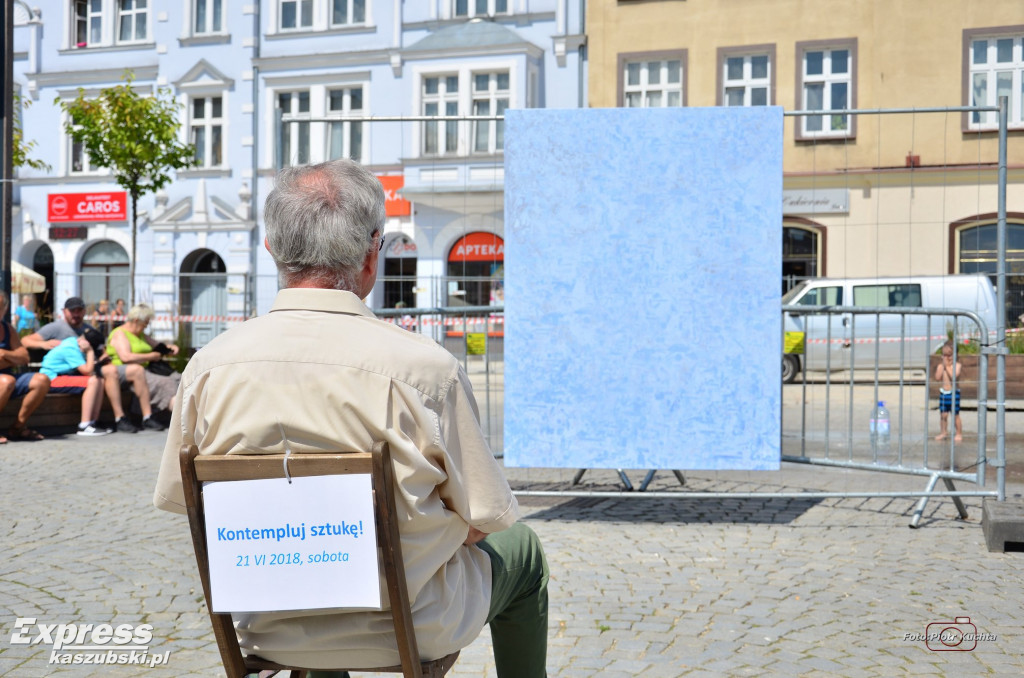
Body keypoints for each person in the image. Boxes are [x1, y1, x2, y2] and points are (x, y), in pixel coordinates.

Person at [153, 159, 548, 677]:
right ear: (372, 251)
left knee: (315, 574)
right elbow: (486, 517)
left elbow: (187, 503)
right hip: (405, 624)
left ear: (272, 250)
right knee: (523, 550)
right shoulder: (424, 370)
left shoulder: (208, 368)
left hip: (269, 624)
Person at [103, 303, 178, 432]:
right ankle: (178, 415)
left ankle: (183, 411)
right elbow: (125, 357)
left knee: (180, 378)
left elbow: (158, 345)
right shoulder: (120, 334)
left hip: (146, 370)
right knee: (166, 383)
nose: (146, 326)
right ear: (137, 320)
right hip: (128, 371)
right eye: (145, 323)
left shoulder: (141, 334)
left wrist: (171, 348)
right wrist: (150, 356)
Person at [0, 291, 50, 442]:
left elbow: (24, 357)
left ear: (5, 309)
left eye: (0, 306)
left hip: (9, 380)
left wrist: (3, 354)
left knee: (42, 380)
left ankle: (18, 427)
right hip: (6, 381)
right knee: (6, 381)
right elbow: (18, 357)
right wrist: (12, 358)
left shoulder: (8, 329)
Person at [39, 331, 112, 436]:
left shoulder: (75, 343)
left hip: (61, 376)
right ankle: (84, 426)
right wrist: (90, 352)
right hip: (50, 378)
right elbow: (88, 371)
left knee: (100, 380)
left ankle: (93, 422)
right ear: (86, 343)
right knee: (93, 381)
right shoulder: (70, 348)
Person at [935, 340, 963, 443]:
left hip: (953, 393)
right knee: (943, 414)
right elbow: (937, 377)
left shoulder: (957, 366)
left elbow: (954, 377)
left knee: (955, 414)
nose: (947, 358)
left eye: (949, 355)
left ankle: (959, 433)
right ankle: (943, 432)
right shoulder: (941, 366)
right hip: (944, 393)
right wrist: (942, 367)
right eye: (944, 355)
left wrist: (947, 366)